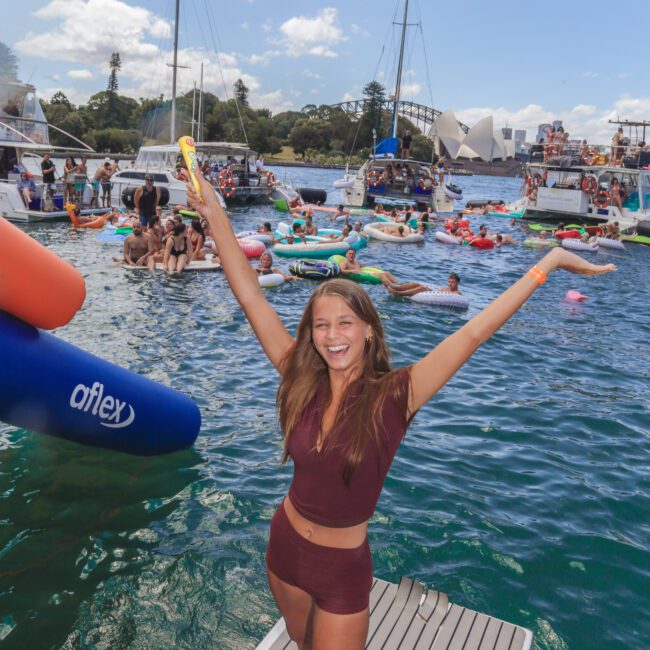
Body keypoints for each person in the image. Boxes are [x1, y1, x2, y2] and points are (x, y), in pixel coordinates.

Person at [186, 168, 615, 649]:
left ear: (369, 329)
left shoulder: (397, 395)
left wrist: (549, 263)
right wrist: (216, 214)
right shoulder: (299, 378)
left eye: (345, 323)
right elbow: (249, 295)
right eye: (321, 325)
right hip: (284, 546)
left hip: (343, 570)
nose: (332, 336)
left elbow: (473, 333)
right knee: (299, 642)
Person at [383, 272, 462, 297]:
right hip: (434, 291)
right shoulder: (446, 288)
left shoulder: (457, 293)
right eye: (449, 282)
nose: (450, 284)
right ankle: (395, 286)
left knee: (422, 288)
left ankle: (399, 293)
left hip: (434, 294)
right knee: (416, 284)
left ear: (457, 283)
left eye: (452, 282)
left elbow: (447, 296)